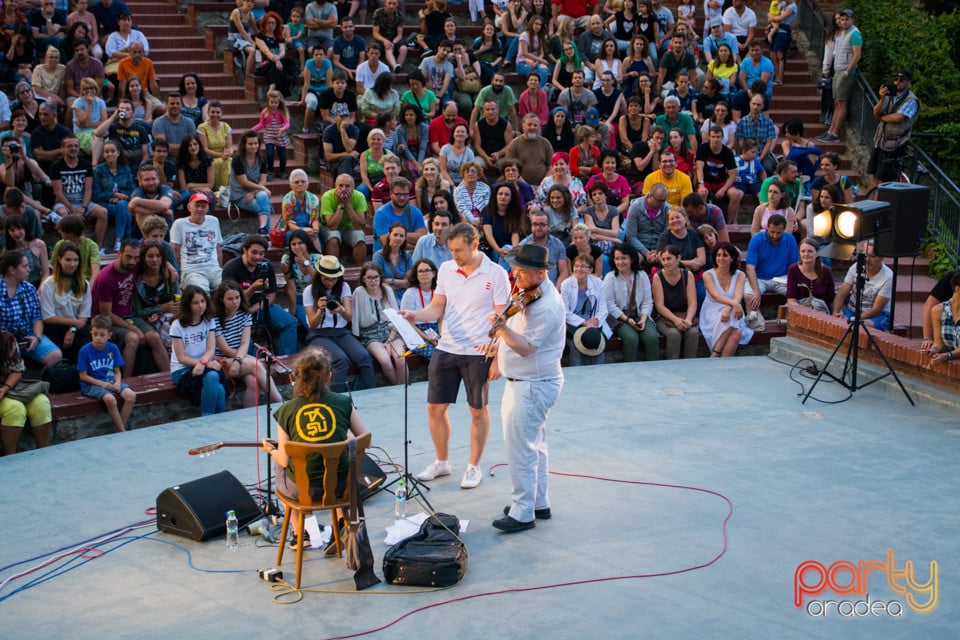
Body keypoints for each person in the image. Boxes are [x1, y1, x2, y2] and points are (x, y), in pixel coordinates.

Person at [399, 222, 510, 490]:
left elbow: (503, 319)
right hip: (447, 347)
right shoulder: (447, 270)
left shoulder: (496, 274)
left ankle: (473, 466)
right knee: (434, 408)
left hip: (479, 352)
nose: (454, 256)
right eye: (450, 250)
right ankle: (442, 461)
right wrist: (415, 316)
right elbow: (437, 308)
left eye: (459, 250)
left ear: (475, 244)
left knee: (478, 410)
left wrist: (497, 358)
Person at [491, 243, 565, 533]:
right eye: (515, 268)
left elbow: (524, 348)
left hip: (531, 386)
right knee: (536, 445)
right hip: (530, 383)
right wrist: (497, 343)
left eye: (522, 271)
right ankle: (538, 502)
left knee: (520, 449)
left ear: (541, 273)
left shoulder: (546, 306)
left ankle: (523, 512)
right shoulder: (531, 292)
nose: (515, 274)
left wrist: (501, 329)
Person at [261, 347, 370, 501]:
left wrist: (271, 450)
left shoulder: (286, 410)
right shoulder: (344, 402)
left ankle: (301, 524)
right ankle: (339, 518)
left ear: (297, 377)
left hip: (304, 490)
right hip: (341, 485)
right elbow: (367, 440)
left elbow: (284, 460)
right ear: (329, 376)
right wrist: (345, 436)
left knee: (280, 463)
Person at [92, 239, 170, 377]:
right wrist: (133, 328)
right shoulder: (106, 278)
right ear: (119, 253)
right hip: (106, 321)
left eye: (136, 258)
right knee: (133, 338)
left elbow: (157, 260)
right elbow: (106, 314)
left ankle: (169, 376)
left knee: (154, 336)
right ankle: (127, 381)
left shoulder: (135, 266)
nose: (132, 262)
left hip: (130, 315)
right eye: (128, 257)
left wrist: (171, 267)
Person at [304, 255, 376, 392]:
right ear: (319, 276)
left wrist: (341, 309)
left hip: (341, 332)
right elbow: (312, 324)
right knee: (340, 360)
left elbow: (349, 317)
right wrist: (320, 310)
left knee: (364, 356)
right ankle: (339, 399)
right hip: (319, 334)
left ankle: (369, 394)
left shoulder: (344, 287)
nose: (330, 282)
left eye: (333, 279)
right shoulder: (309, 291)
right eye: (326, 278)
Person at [222, 235, 299, 356]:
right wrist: (252, 288)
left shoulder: (266, 265)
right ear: (245, 250)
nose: (258, 257)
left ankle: (286, 359)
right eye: (254, 252)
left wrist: (254, 308)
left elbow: (272, 296)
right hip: (238, 310)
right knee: (243, 338)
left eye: (262, 254)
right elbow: (232, 300)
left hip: (260, 306)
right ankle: (254, 364)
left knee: (290, 322)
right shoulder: (231, 268)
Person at [212, 279, 283, 408]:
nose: (235, 302)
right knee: (257, 365)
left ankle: (249, 416)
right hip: (220, 360)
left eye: (237, 297)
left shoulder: (244, 314)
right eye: (230, 299)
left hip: (239, 357)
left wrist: (239, 359)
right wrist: (241, 359)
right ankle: (280, 403)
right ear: (222, 300)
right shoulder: (214, 318)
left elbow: (245, 343)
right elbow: (225, 349)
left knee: (253, 381)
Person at [0, 249, 63, 368]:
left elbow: (36, 318)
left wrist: (37, 337)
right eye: (24, 266)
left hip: (28, 337)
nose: (29, 269)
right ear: (12, 270)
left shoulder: (29, 288)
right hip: (4, 341)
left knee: (55, 356)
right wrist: (8, 343)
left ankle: (42, 383)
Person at [170, 285, 227, 416]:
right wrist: (203, 364)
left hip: (203, 365)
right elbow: (181, 357)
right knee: (213, 376)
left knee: (220, 389)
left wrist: (202, 363)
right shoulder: (177, 325)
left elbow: (211, 349)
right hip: (182, 370)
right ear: (187, 305)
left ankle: (217, 420)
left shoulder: (209, 320)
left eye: (203, 301)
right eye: (195, 303)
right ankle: (207, 417)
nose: (201, 306)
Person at [78, 314, 137, 432]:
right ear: (91, 333)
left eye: (102, 335)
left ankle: (120, 428)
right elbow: (83, 376)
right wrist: (101, 384)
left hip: (110, 381)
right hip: (92, 385)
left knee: (131, 396)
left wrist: (117, 383)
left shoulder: (113, 348)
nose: (98, 338)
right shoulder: (85, 351)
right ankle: (122, 431)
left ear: (109, 335)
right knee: (110, 400)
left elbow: (117, 371)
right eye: (95, 334)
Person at [351, 261, 406, 385]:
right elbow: (357, 321)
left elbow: (396, 318)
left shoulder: (387, 289)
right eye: (369, 277)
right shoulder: (359, 292)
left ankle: (404, 391)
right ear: (363, 279)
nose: (373, 281)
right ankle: (399, 390)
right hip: (370, 334)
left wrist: (389, 340)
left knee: (400, 359)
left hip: (391, 331)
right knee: (385, 360)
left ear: (380, 277)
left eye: (376, 277)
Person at [0, 326, 52, 455]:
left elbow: (17, 370)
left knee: (41, 403)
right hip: (7, 394)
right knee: (15, 409)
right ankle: (10, 456)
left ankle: (43, 453)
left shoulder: (6, 337)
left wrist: (5, 388)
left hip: (10, 386)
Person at [50, 134, 108, 248]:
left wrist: (84, 208)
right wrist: (73, 210)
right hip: (64, 203)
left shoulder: (85, 164)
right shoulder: (56, 166)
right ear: (63, 148)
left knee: (103, 212)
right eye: (69, 146)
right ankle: (70, 246)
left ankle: (98, 247)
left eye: (76, 146)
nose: (73, 149)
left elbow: (88, 189)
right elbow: (58, 193)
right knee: (64, 214)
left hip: (83, 202)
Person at [868, 68, 919, 190]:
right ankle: (870, 203)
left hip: (896, 144)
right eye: (895, 79)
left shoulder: (911, 100)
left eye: (901, 80)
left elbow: (898, 118)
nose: (897, 82)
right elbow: (875, 113)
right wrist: (881, 99)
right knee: (875, 176)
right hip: (881, 141)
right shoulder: (889, 95)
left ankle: (879, 206)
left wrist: (882, 117)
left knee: (885, 180)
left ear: (908, 82)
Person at [39, 240, 91, 359]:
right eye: (68, 260)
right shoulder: (49, 284)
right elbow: (48, 317)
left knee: (90, 339)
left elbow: (84, 315)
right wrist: (74, 322)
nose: (72, 264)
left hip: (76, 327)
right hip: (55, 326)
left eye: (75, 260)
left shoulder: (84, 284)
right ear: (59, 259)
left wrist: (72, 329)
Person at [700, 241, 752, 357]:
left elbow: (738, 296)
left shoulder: (740, 275)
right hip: (712, 310)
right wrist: (734, 305)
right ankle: (718, 357)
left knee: (737, 331)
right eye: (718, 255)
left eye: (725, 255)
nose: (721, 258)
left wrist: (730, 308)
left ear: (732, 258)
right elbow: (716, 296)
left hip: (733, 309)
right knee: (734, 324)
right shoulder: (708, 274)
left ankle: (717, 357)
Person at [816, 9, 860, 144]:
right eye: (842, 19)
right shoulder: (841, 33)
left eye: (847, 19)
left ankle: (834, 133)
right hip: (838, 69)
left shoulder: (854, 34)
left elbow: (857, 55)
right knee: (837, 103)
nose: (844, 21)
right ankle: (830, 131)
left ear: (852, 20)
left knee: (841, 103)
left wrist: (848, 71)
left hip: (845, 72)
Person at [831, 241, 892, 332]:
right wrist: (835, 313)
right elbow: (842, 293)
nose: (867, 259)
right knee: (838, 320)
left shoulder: (888, 276)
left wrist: (853, 320)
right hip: (852, 312)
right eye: (865, 255)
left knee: (862, 326)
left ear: (881, 258)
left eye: (872, 256)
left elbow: (876, 309)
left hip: (877, 316)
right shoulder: (856, 267)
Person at [560, 253, 610, 365]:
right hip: (573, 323)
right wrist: (583, 322)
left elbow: (603, 308)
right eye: (576, 266)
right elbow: (565, 312)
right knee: (575, 346)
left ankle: (599, 373)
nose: (578, 269)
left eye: (583, 266)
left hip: (593, 322)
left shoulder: (598, 283)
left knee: (597, 341)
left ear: (591, 269)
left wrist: (595, 321)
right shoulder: (566, 284)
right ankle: (577, 373)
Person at [131, 239, 179, 354]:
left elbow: (174, 302)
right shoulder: (137, 281)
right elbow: (137, 311)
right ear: (143, 258)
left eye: (158, 256)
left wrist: (159, 312)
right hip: (144, 318)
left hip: (165, 314)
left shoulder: (169, 276)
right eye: (150, 256)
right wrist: (160, 308)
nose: (155, 260)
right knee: (166, 327)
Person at [651, 243, 699, 359]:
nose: (666, 262)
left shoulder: (688, 275)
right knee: (674, 334)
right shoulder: (658, 276)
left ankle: (690, 366)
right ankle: (672, 367)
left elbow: (693, 302)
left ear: (678, 258)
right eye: (663, 259)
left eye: (669, 258)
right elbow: (659, 306)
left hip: (685, 315)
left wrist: (688, 319)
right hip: (665, 318)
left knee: (693, 332)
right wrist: (675, 320)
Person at [743, 213, 798, 312]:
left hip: (782, 278)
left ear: (784, 230)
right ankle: (757, 324)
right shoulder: (757, 239)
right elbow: (750, 267)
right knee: (749, 296)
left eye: (779, 233)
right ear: (767, 227)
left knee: (799, 293)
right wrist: (756, 291)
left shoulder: (790, 239)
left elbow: (794, 266)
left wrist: (792, 288)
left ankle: (788, 318)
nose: (775, 235)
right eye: (772, 231)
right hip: (760, 278)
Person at [170, 192, 223, 292]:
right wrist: (179, 273)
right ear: (189, 207)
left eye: (203, 206)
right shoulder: (179, 224)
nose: (200, 209)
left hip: (214, 268)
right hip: (192, 270)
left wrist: (220, 268)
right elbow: (175, 251)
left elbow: (218, 248)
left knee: (228, 288)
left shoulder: (214, 221)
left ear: (207, 209)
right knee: (201, 292)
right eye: (197, 206)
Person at [229, 130, 272, 235]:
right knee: (263, 206)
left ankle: (262, 229)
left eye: (256, 143)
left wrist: (254, 192)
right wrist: (262, 188)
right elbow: (244, 182)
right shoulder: (238, 159)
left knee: (263, 197)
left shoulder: (261, 158)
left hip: (254, 191)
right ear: (244, 145)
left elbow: (263, 180)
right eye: (250, 144)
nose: (254, 146)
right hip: (239, 194)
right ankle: (267, 232)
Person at [399, 258, 440, 358]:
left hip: (436, 329)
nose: (424, 274)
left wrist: (441, 336)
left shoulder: (439, 292)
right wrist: (428, 338)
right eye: (420, 271)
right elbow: (408, 323)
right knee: (436, 355)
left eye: (427, 270)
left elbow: (442, 318)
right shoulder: (410, 293)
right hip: (415, 332)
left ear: (433, 273)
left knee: (449, 352)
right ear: (416, 275)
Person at [372, 176, 426, 253]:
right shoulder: (381, 213)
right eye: (398, 194)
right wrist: (414, 247)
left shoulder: (416, 212)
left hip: (409, 256)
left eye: (405, 194)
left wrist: (396, 235)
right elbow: (386, 242)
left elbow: (422, 237)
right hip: (385, 256)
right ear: (391, 194)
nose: (402, 198)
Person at [785, 237, 834, 314]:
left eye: (810, 251)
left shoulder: (826, 271)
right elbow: (791, 299)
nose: (806, 254)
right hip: (799, 310)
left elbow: (831, 299)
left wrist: (836, 312)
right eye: (803, 251)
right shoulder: (793, 270)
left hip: (821, 311)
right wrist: (805, 311)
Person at [624, 183, 669, 265]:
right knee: (635, 259)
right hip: (639, 247)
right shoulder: (635, 208)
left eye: (664, 200)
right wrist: (646, 252)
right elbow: (631, 236)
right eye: (659, 200)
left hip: (660, 247)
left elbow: (666, 235)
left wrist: (658, 252)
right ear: (650, 196)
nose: (662, 203)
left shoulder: (667, 209)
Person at [251, 89, 290, 181]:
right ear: (268, 102)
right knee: (270, 153)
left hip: (280, 136)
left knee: (283, 155)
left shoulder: (282, 111)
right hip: (269, 136)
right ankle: (270, 171)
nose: (274, 104)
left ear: (279, 102)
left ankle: (282, 171)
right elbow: (261, 124)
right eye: (272, 102)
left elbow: (287, 123)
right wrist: (253, 129)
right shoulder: (265, 112)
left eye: (276, 102)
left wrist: (283, 128)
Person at [4, 216, 48, 290]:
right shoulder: (7, 251)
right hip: (19, 287)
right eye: (12, 230)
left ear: (25, 228)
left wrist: (41, 288)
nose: (16, 233)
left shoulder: (40, 245)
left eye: (19, 229)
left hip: (40, 284)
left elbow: (45, 272)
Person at [926, 272, 960, 366]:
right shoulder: (937, 311)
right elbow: (938, 344)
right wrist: (933, 350)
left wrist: (947, 356)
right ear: (957, 289)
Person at [373, 223, 412, 302]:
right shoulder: (378, 256)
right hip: (385, 295)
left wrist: (390, 281)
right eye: (395, 235)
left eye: (401, 236)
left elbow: (408, 282)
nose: (398, 238)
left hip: (404, 296)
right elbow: (378, 280)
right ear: (389, 235)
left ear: (405, 238)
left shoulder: (407, 256)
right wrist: (401, 283)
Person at [152, 93, 197, 158]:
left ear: (182, 105)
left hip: (186, 159)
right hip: (166, 160)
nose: (175, 106)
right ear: (166, 105)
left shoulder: (189, 122)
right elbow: (162, 147)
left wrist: (171, 147)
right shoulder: (158, 123)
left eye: (177, 103)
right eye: (172, 103)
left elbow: (194, 145)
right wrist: (186, 147)